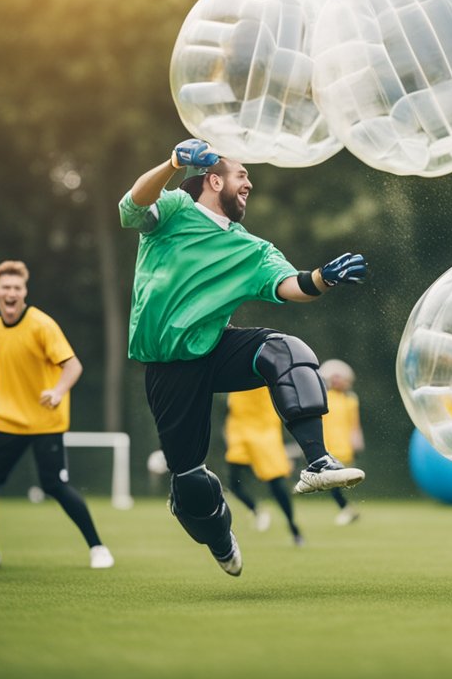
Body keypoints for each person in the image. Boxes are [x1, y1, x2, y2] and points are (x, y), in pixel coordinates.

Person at [119, 138, 368, 576]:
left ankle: (317, 461)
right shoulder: (175, 209)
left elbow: (292, 286)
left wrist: (323, 278)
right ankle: (217, 534)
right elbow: (131, 207)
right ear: (214, 181)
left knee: (286, 350)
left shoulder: (253, 249)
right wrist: (174, 162)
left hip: (214, 348)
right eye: (242, 175)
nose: (249, 183)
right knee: (192, 484)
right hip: (168, 364)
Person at [0, 260, 113, 570]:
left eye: (17, 288)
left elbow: (73, 366)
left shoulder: (42, 325)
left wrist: (58, 392)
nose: (11, 293)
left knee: (55, 486)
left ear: (24, 292)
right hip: (5, 420)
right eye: (5, 287)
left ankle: (98, 548)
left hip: (45, 420)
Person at [224, 386, 304, 544]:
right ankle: (256, 510)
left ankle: (293, 528)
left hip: (264, 429)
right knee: (233, 482)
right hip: (239, 428)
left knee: (276, 482)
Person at [318, 359, 364, 526]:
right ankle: (347, 509)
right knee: (331, 482)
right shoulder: (324, 397)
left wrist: (357, 443)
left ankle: (346, 509)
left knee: (333, 482)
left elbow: (354, 425)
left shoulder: (350, 400)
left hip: (343, 448)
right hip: (327, 447)